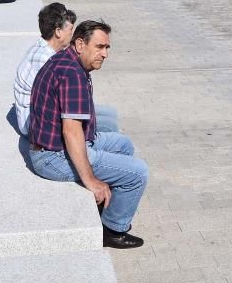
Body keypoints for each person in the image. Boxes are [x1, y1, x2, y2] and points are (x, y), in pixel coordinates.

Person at [29, 20, 147, 249]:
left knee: (123, 145)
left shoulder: (68, 60)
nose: (105, 54)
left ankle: (107, 207)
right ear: (80, 44)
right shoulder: (72, 74)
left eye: (107, 48)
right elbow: (71, 132)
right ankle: (113, 230)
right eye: (100, 47)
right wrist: (91, 181)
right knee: (138, 173)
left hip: (51, 146)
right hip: (53, 157)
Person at [13, 3, 119, 137]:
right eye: (70, 29)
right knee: (109, 125)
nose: (73, 34)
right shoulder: (44, 59)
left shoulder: (47, 49)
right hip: (34, 122)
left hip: (46, 110)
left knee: (110, 114)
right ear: (58, 32)